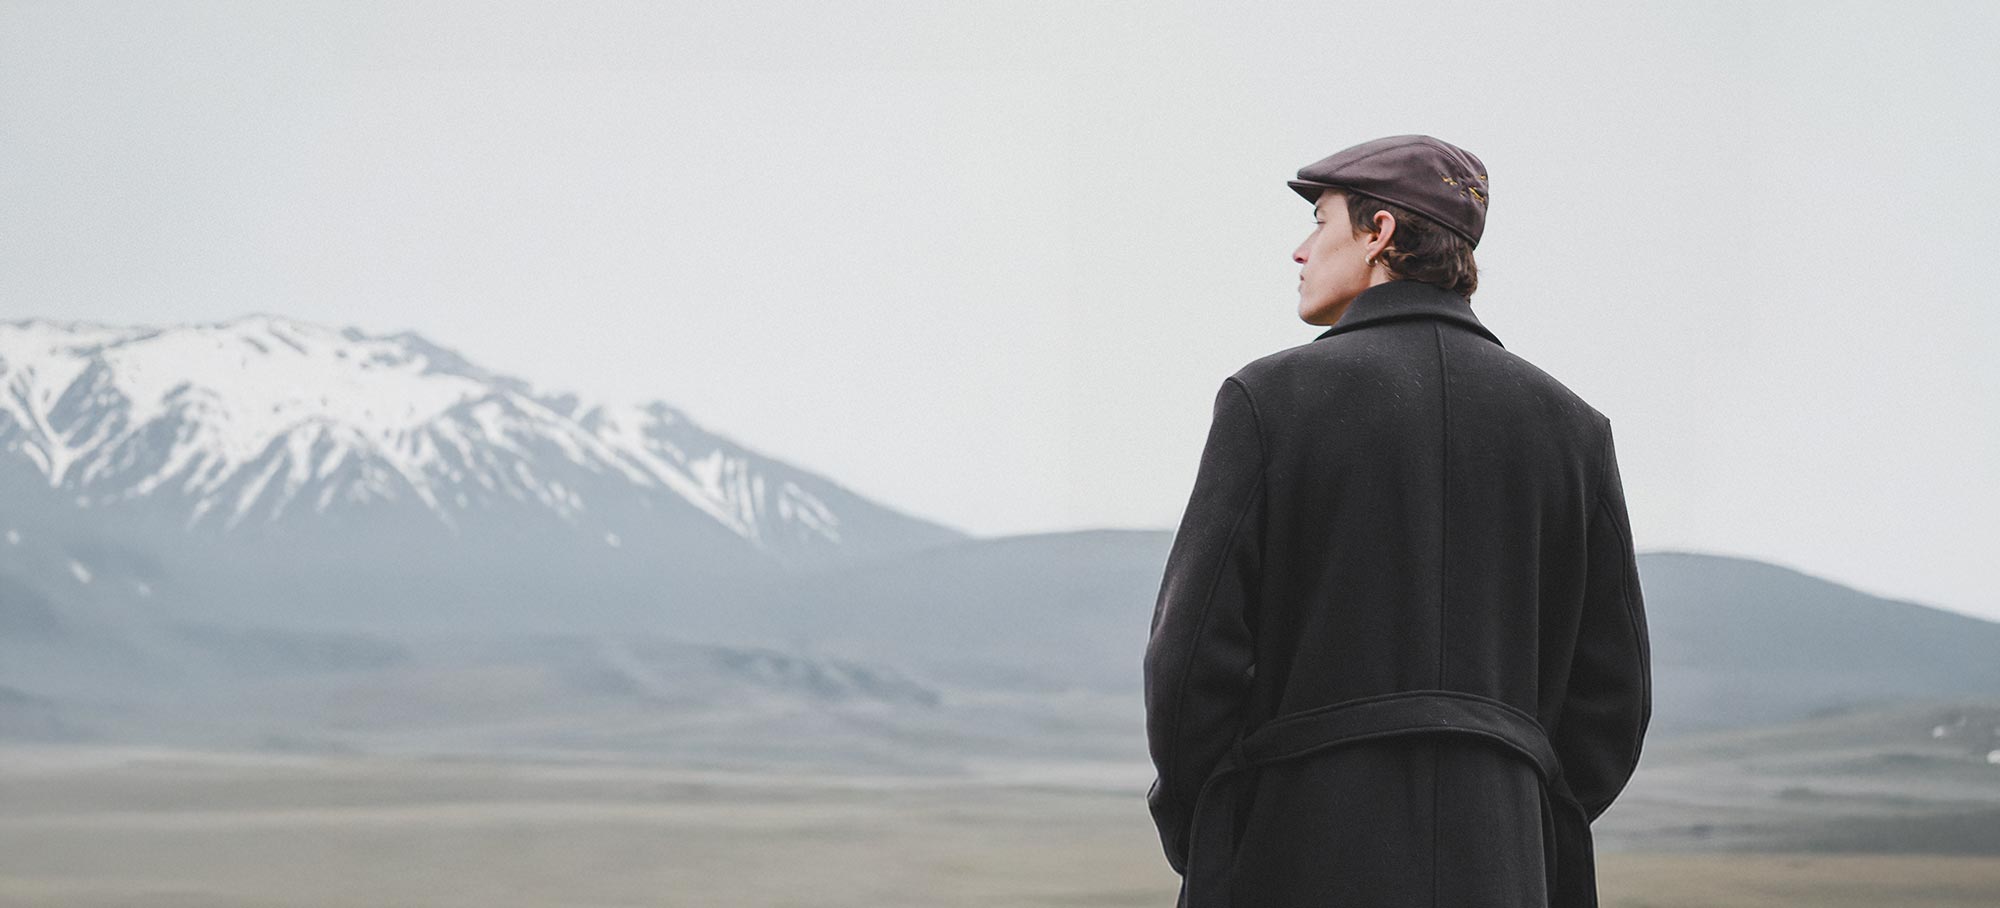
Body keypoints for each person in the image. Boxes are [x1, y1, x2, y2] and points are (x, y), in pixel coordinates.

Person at [1143, 134, 1651, 908]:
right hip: (1504, 865)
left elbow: (1190, 664)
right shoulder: (1575, 430)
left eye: (1320, 222)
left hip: (1297, 855)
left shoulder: (1270, 400)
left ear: (1379, 232)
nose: (1300, 251)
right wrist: (1511, 807)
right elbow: (1614, 699)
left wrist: (1218, 830)